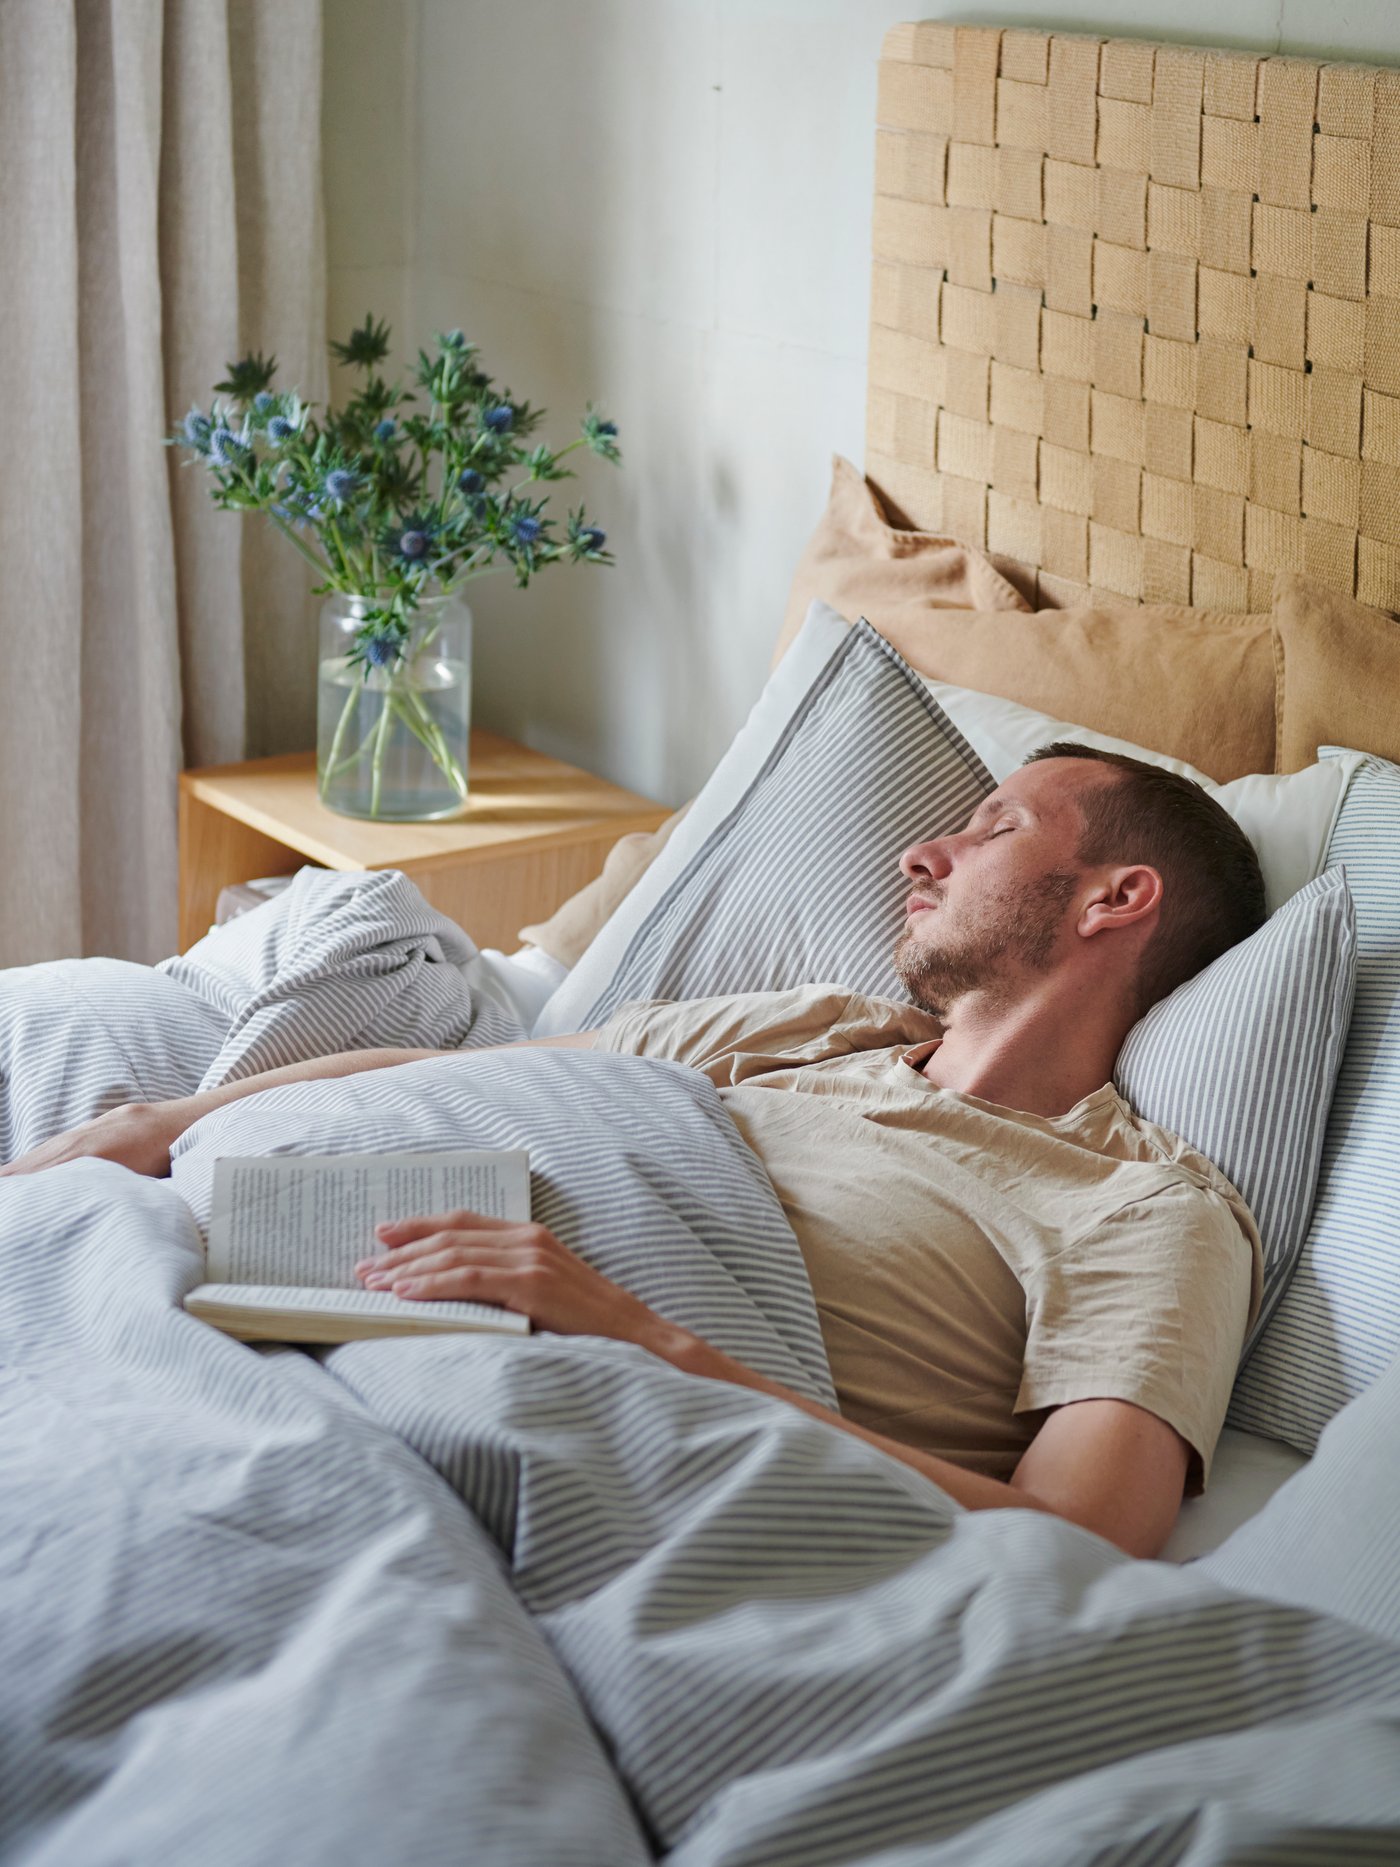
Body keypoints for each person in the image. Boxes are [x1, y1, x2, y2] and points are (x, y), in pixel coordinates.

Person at [2, 744, 1268, 1560]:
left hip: (563, 1425)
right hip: (329, 1293)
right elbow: (452, 1082)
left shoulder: (1141, 1205)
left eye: (992, 828)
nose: (919, 851)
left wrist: (635, 1332)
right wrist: (153, 1128)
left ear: (1114, 897)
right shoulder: (812, 1026)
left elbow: (1080, 1537)